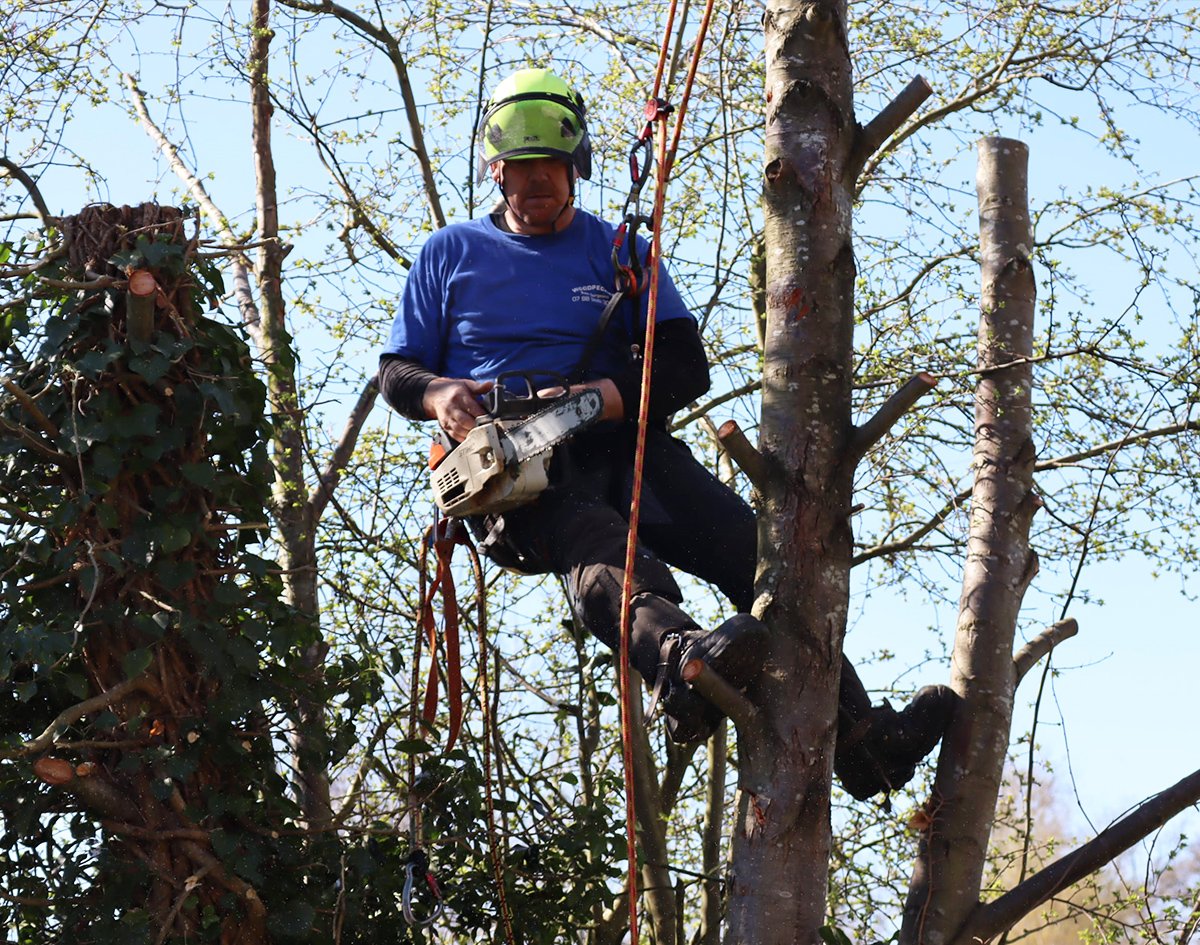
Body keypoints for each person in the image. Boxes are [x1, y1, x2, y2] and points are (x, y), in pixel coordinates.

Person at [379, 67, 953, 800]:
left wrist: (602, 396)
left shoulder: (618, 251)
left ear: (576, 166)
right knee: (599, 554)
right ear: (494, 170)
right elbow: (396, 370)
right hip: (509, 470)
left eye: (548, 173)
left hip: (616, 441)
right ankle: (684, 665)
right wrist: (439, 392)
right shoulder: (449, 254)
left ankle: (862, 740)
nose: (532, 189)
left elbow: (684, 364)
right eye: (518, 175)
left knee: (758, 553)